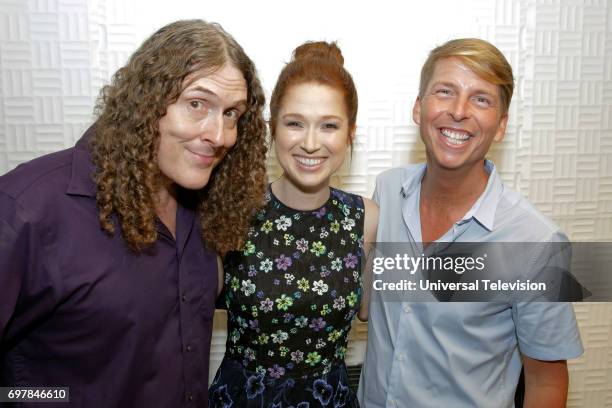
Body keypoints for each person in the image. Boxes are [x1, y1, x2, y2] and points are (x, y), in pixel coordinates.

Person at [0, 19, 267, 407]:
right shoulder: (26, 209)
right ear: (146, 102)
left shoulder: (207, 206)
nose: (220, 134)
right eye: (197, 104)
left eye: (232, 113)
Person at [359, 38, 583, 407]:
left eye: (481, 99)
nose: (459, 111)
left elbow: (545, 383)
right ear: (419, 107)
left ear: (500, 126)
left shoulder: (535, 242)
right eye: (445, 91)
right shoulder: (388, 190)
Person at [209, 41, 378, 408]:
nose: (311, 143)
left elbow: (373, 312)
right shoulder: (232, 211)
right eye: (295, 123)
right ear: (273, 128)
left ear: (351, 133)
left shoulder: (366, 218)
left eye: (329, 126)